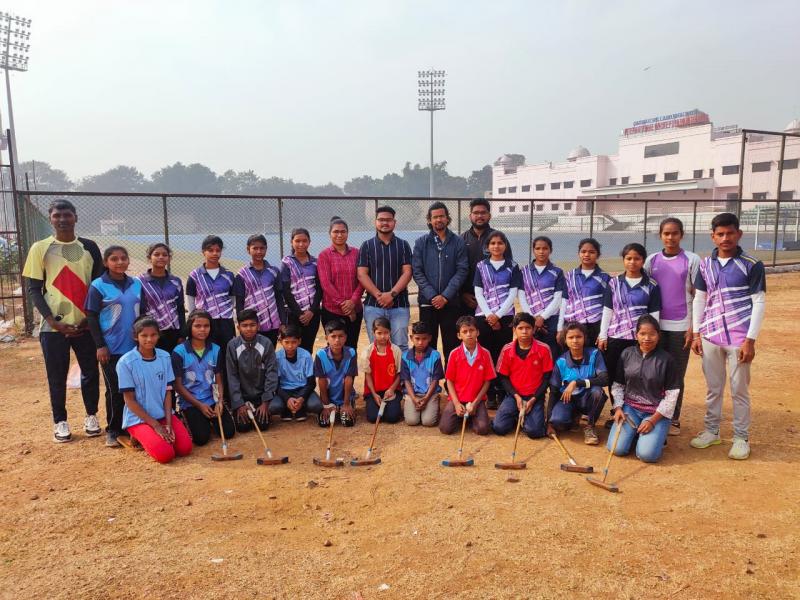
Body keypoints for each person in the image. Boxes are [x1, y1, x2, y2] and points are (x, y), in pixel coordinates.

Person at [22, 199, 103, 443]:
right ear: (51, 219)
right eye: (57, 215)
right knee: (56, 375)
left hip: (85, 325)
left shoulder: (89, 247)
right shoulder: (40, 248)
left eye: (67, 215)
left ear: (75, 217)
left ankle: (92, 416)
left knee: (90, 372)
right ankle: (60, 421)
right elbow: (34, 289)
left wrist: (90, 319)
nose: (62, 219)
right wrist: (53, 321)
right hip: (53, 327)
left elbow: (98, 287)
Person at [690, 212, 766, 460]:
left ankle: (741, 437)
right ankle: (712, 431)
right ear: (712, 237)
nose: (725, 238)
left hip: (738, 337)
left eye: (730, 233)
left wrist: (750, 340)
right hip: (710, 335)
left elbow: (759, 302)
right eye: (720, 234)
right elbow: (700, 298)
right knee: (713, 388)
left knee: (739, 390)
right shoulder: (705, 265)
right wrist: (696, 333)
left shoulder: (752, 264)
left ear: (738, 234)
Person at [645, 217, 700, 436]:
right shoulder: (651, 261)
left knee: (676, 374)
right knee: (654, 372)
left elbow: (698, 295)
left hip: (681, 326)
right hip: (655, 327)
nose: (670, 237)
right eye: (666, 233)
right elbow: (646, 291)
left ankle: (673, 417)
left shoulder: (692, 259)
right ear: (660, 235)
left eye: (675, 233)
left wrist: (693, 328)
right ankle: (654, 412)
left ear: (681, 234)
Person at [598, 243, 661, 427]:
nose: (632, 262)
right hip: (615, 337)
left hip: (639, 340)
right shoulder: (613, 282)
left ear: (643, 260)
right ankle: (616, 411)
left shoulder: (652, 285)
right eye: (629, 258)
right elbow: (607, 310)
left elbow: (654, 315)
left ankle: (635, 411)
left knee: (636, 377)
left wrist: (652, 337)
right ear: (623, 260)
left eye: (637, 258)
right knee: (615, 377)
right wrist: (603, 335)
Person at [85, 245, 143, 448]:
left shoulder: (136, 284)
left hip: (135, 347)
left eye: (123, 258)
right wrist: (100, 345)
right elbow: (91, 316)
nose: (119, 262)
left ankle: (131, 427)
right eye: (114, 259)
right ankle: (113, 430)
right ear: (105, 262)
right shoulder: (98, 285)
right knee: (116, 390)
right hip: (111, 348)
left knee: (135, 389)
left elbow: (142, 313)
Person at [117, 316, 192, 463]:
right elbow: (129, 400)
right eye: (144, 336)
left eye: (153, 335)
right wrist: (156, 426)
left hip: (163, 415)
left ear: (158, 335)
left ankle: (152, 434)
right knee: (166, 455)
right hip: (138, 419)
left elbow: (168, 392)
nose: (149, 340)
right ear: (135, 337)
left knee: (184, 449)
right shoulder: (126, 362)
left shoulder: (165, 357)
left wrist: (168, 424)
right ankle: (136, 435)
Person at [608, 315, 678, 463]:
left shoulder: (667, 360)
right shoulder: (626, 354)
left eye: (652, 334)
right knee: (617, 449)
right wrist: (618, 408)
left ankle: (653, 435)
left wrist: (652, 421)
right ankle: (636, 434)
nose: (647, 338)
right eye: (642, 334)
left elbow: (672, 395)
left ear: (658, 335)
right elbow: (618, 385)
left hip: (656, 413)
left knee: (647, 455)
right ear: (636, 335)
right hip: (630, 410)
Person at [412, 202, 468, 361]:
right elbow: (417, 271)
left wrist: (445, 296)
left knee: (451, 344)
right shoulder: (421, 242)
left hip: (450, 303)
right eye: (435, 217)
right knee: (427, 345)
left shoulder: (458, 242)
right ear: (429, 220)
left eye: (441, 216)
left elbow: (462, 270)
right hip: (427, 302)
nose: (438, 220)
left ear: (448, 218)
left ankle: (451, 382)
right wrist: (432, 295)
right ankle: (430, 382)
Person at [473, 230, 521, 408]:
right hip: (483, 316)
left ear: (505, 245)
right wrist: (489, 315)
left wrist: (499, 315)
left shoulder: (513, 266)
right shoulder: (481, 266)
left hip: (506, 316)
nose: (496, 246)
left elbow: (513, 293)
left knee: (502, 355)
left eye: (500, 243)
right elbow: (478, 292)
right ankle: (489, 392)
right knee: (486, 355)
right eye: (492, 243)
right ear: (487, 247)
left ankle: (502, 390)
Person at [172, 310, 235, 446]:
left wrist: (219, 402)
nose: (202, 330)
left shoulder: (216, 349)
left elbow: (218, 377)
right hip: (191, 402)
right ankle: (190, 418)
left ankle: (207, 419)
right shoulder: (179, 351)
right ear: (190, 327)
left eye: (206, 326)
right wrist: (200, 406)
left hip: (211, 398)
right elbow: (177, 385)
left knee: (229, 432)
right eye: (198, 326)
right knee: (201, 439)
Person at [357, 205, 413, 352]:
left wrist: (392, 294)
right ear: (375, 222)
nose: (385, 223)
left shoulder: (403, 245)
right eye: (381, 220)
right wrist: (379, 295)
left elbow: (407, 272)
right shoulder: (367, 246)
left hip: (399, 305)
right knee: (377, 347)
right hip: (373, 306)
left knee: (401, 346)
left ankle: (401, 376)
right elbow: (362, 274)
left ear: (394, 222)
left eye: (388, 220)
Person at [186, 235, 236, 397]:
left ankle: (226, 398)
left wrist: (230, 315)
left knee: (226, 359)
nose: (214, 253)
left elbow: (232, 300)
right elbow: (191, 304)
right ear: (203, 252)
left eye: (218, 250)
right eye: (210, 250)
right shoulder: (194, 276)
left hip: (226, 323)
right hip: (204, 325)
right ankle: (207, 396)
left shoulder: (228, 275)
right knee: (207, 361)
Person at [491, 312, 553, 439]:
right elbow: (503, 377)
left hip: (535, 397)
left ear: (534, 329)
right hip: (513, 396)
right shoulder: (507, 349)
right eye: (520, 328)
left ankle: (528, 417)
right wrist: (516, 397)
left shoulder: (544, 349)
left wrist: (534, 399)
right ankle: (516, 415)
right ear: (514, 330)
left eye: (528, 328)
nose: (524, 331)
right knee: (499, 427)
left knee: (534, 432)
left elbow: (547, 378)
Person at [548, 322, 608, 445]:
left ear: (584, 338)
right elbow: (554, 391)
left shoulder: (594, 354)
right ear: (565, 340)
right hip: (567, 399)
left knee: (598, 392)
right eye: (570, 337)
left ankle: (590, 426)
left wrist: (577, 383)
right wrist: (548, 421)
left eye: (578, 337)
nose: (575, 340)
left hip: (587, 398)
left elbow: (604, 379)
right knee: (558, 421)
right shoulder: (561, 361)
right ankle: (574, 416)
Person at [439, 316, 496, 436]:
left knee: (482, 429)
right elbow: (449, 380)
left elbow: (487, 381)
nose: (469, 334)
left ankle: (472, 416)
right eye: (465, 332)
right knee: (445, 428)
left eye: (472, 330)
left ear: (478, 332)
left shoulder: (485, 353)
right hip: (458, 398)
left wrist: (475, 403)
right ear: (459, 335)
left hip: (477, 400)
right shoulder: (454, 354)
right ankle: (463, 414)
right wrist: (456, 403)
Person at [226, 309, 279, 433]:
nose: (248, 329)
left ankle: (262, 408)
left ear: (258, 326)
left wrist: (265, 402)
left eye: (252, 325)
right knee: (243, 428)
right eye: (244, 326)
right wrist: (239, 404)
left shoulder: (266, 343)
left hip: (261, 397)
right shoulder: (232, 345)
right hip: (242, 397)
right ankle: (240, 409)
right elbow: (232, 376)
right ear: (238, 327)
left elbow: (271, 373)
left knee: (262, 425)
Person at [317, 217, 364, 350]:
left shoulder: (357, 253)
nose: (339, 235)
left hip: (355, 310)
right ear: (330, 233)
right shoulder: (324, 255)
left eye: (343, 231)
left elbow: (362, 278)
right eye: (335, 231)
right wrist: (344, 306)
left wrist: (353, 302)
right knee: (334, 348)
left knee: (351, 346)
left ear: (347, 233)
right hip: (332, 311)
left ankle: (350, 372)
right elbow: (326, 284)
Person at [460, 198, 513, 316]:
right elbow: (456, 270)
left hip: (494, 299)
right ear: (470, 216)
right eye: (476, 213)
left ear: (489, 215)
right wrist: (462, 293)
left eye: (483, 213)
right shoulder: (461, 240)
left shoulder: (499, 239)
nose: (479, 216)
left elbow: (508, 267)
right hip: (468, 299)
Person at [518, 236, 565, 360]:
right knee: (532, 354)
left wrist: (543, 317)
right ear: (533, 250)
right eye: (538, 248)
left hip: (551, 319)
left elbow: (558, 298)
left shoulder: (557, 271)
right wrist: (532, 318)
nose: (541, 251)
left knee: (552, 354)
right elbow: (521, 295)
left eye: (545, 248)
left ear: (550, 250)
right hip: (530, 319)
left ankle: (552, 379)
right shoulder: (524, 271)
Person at [558, 238, 610, 349]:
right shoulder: (569, 276)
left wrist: (603, 333)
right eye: (583, 251)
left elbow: (608, 306)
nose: (587, 255)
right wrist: (560, 327)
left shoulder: (604, 277)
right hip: (571, 325)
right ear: (579, 254)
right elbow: (564, 301)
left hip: (595, 325)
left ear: (598, 255)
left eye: (591, 252)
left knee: (592, 357)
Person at [234, 234, 284, 347]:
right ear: (248, 250)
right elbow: (239, 302)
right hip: (251, 326)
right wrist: (241, 323)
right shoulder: (242, 275)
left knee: (269, 356)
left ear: (266, 249)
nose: (258, 251)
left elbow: (279, 298)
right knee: (252, 358)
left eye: (262, 248)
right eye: (255, 248)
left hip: (272, 324)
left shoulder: (274, 271)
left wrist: (283, 322)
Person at [139, 242, 186, 353]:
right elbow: (140, 310)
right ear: (149, 258)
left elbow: (180, 308)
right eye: (156, 254)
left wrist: (182, 334)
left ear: (169, 258)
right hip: (152, 332)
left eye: (165, 255)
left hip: (173, 332)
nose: (161, 257)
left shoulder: (176, 281)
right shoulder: (140, 281)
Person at [281, 228, 322, 353]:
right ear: (291, 242)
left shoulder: (316, 263)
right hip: (294, 314)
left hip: (313, 314)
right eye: (297, 241)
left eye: (304, 241)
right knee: (293, 348)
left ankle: (307, 373)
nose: (301, 244)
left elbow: (320, 288)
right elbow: (286, 290)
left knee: (308, 348)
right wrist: (299, 313)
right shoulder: (287, 262)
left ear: (309, 242)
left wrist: (311, 311)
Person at [271, 323, 322, 422]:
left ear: (299, 341)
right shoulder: (277, 357)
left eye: (294, 342)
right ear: (281, 341)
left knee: (316, 406)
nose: (290, 346)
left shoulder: (306, 355)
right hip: (284, 391)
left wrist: (301, 398)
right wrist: (287, 399)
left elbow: (311, 383)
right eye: (287, 342)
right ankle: (286, 407)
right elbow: (275, 383)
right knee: (274, 407)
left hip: (302, 389)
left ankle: (301, 406)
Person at [359, 316, 403, 424]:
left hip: (391, 390)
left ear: (390, 332)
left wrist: (392, 389)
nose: (383, 336)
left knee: (392, 418)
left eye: (386, 333)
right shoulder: (368, 351)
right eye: (379, 333)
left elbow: (399, 374)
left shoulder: (396, 350)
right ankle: (373, 403)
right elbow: (368, 375)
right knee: (373, 418)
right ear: (373, 333)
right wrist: (374, 394)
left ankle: (393, 407)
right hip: (374, 390)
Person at [314, 319, 358, 427]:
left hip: (345, 397)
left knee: (348, 422)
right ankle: (329, 405)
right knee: (324, 423)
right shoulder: (320, 355)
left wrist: (346, 404)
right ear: (326, 338)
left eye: (341, 336)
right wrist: (326, 405)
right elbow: (322, 380)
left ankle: (348, 404)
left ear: (345, 337)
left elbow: (349, 378)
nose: (337, 340)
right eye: (333, 336)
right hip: (328, 397)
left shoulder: (351, 353)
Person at [401, 321, 444, 427]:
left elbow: (435, 380)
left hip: (430, 393)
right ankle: (410, 401)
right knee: (412, 421)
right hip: (412, 394)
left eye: (424, 339)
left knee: (428, 422)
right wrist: (414, 398)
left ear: (429, 338)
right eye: (417, 339)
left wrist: (427, 398)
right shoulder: (405, 356)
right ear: (411, 338)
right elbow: (406, 380)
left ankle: (434, 402)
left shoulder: (435, 355)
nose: (420, 342)